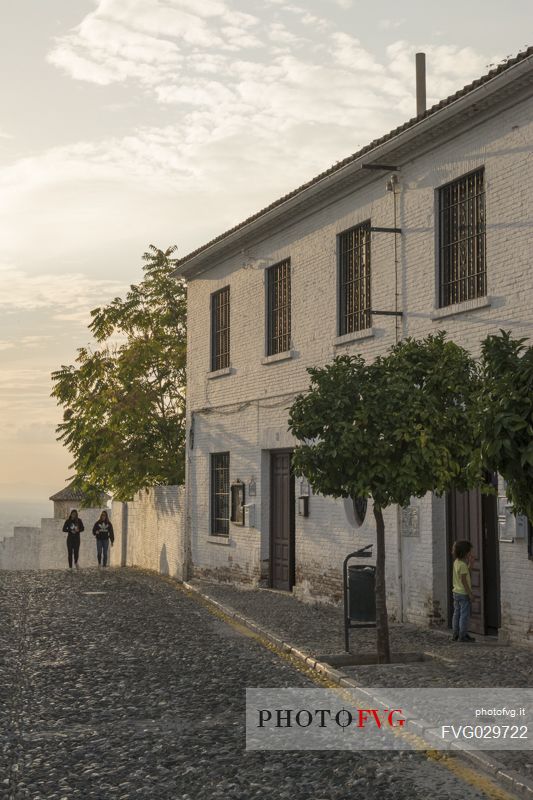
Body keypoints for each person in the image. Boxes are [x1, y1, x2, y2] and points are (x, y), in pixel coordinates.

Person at [451, 540, 475, 643]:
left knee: (456, 614)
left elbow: (465, 573)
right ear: (465, 552)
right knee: (464, 615)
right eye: (470, 551)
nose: (471, 553)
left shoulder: (457, 563)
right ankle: (463, 635)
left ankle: (455, 634)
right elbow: (464, 580)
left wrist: (471, 564)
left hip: (456, 592)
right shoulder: (463, 565)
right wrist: (470, 594)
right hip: (463, 594)